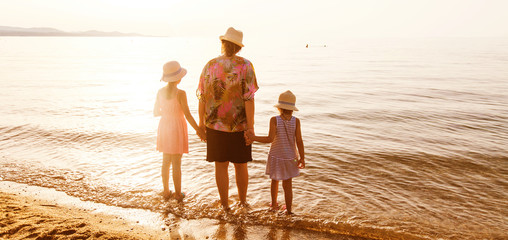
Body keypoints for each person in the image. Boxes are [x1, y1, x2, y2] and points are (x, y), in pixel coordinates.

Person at [197, 27, 258, 210]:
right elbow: (248, 99)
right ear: (238, 48)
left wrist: (201, 124)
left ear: (223, 43)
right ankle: (243, 202)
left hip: (214, 126)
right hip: (239, 125)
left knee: (220, 166)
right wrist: (251, 127)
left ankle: (224, 205)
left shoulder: (210, 65)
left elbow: (202, 97)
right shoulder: (245, 65)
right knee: (241, 166)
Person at [245, 90, 305, 215]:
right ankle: (289, 210)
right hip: (291, 157)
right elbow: (299, 141)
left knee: (275, 181)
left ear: (280, 108)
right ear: (292, 108)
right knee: (288, 185)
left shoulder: (274, 120)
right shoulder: (296, 121)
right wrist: (302, 158)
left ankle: (273, 205)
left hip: (276, 156)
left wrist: (253, 138)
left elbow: (270, 139)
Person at [154, 61, 205, 201]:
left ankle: (165, 191)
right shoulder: (181, 93)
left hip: (164, 126)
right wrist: (199, 130)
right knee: (176, 162)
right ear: (179, 77)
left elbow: (155, 112)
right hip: (177, 127)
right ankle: (177, 193)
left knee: (165, 161)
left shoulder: (160, 92)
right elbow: (187, 115)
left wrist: (167, 112)